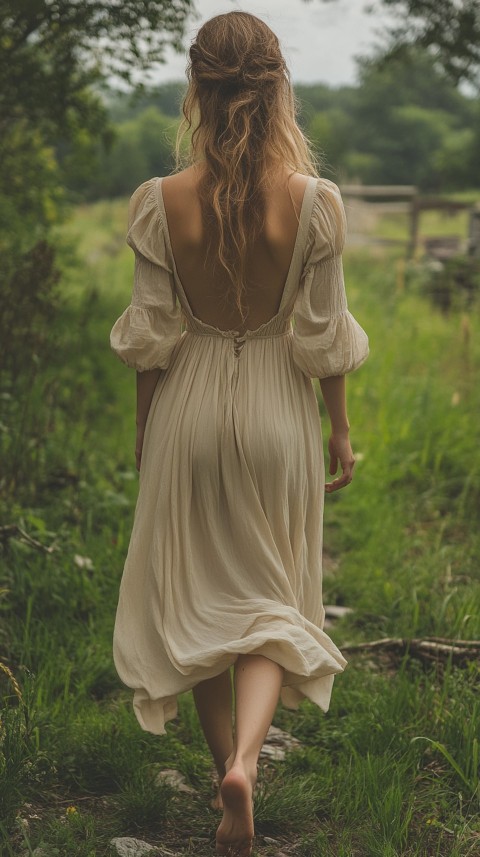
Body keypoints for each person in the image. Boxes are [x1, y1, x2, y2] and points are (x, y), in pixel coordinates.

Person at [110, 10, 369, 857]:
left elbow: (151, 339)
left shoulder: (160, 203)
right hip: (276, 412)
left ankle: (228, 767)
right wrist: (337, 433)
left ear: (197, 88)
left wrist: (148, 438)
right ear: (276, 83)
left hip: (188, 409)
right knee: (268, 602)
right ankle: (249, 767)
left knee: (196, 604)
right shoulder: (315, 204)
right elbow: (323, 336)